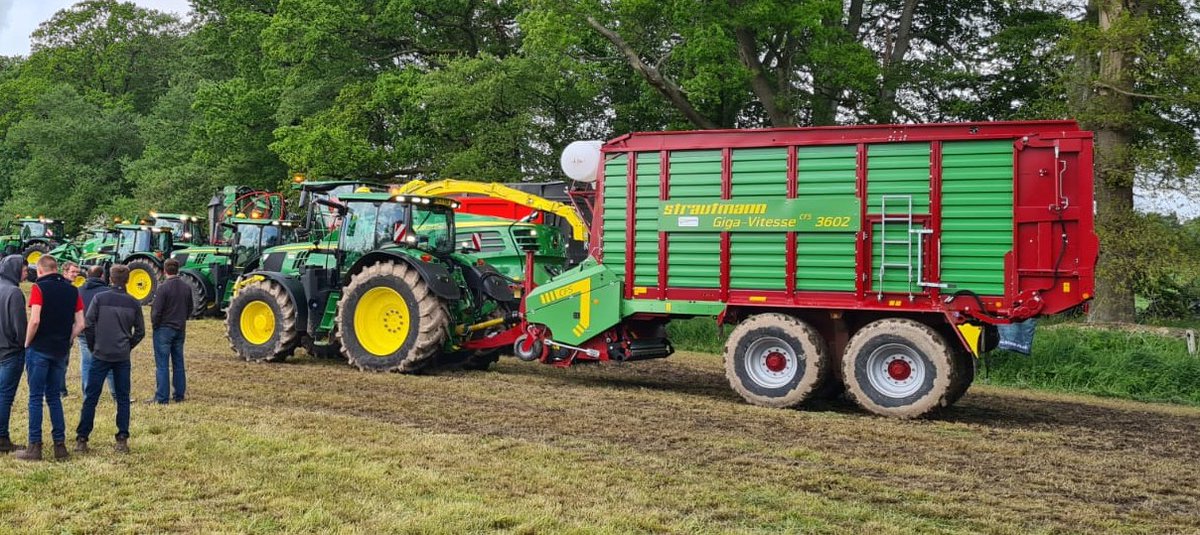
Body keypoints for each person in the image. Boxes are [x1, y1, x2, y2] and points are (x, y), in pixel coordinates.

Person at [14, 255, 84, 461]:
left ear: (41, 270)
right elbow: (81, 323)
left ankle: (34, 446)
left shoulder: (38, 288)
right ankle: (60, 446)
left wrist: (27, 342)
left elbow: (34, 320)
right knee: (54, 397)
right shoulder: (73, 290)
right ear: (56, 269)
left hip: (40, 349)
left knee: (35, 398)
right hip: (60, 350)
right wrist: (68, 339)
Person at [76, 265, 143, 453]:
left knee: (91, 397)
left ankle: (82, 438)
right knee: (122, 398)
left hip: (101, 353)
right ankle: (122, 439)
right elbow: (140, 332)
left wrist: (93, 345)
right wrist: (127, 346)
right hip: (121, 356)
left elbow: (88, 325)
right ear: (128, 280)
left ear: (110, 279)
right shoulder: (133, 302)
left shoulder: (99, 298)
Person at [150, 259, 191, 404]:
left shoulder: (163, 288)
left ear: (164, 270)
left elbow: (156, 311)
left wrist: (155, 325)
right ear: (178, 269)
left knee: (162, 364)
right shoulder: (186, 287)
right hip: (180, 328)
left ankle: (162, 397)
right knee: (178, 362)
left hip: (164, 329)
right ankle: (179, 395)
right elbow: (190, 309)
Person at [0, 256, 27, 454]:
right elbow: (20, 327)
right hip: (10, 352)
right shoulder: (14, 293)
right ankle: (2, 438)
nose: (26, 273)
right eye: (24, 269)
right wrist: (23, 344)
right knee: (5, 397)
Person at [78, 266, 115, 399]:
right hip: (104, 331)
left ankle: (88, 393)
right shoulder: (108, 292)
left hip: (84, 330)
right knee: (109, 363)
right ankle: (115, 393)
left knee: (87, 363)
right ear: (102, 277)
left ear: (87, 276)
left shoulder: (79, 291)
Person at [58, 261, 81, 398]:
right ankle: (60, 391)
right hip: (63, 330)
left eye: (77, 272)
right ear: (64, 272)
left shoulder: (71, 288)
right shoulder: (68, 290)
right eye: (73, 272)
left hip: (65, 328)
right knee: (61, 362)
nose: (75, 275)